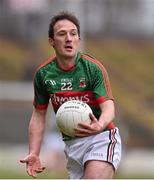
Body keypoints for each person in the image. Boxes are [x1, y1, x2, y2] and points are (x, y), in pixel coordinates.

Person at [20, 11, 121, 179]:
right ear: (51, 41)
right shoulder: (43, 74)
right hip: (72, 145)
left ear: (78, 39)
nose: (68, 38)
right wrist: (34, 152)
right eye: (62, 34)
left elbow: (109, 107)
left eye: (73, 33)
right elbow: (38, 114)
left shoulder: (92, 68)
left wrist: (100, 124)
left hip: (102, 138)